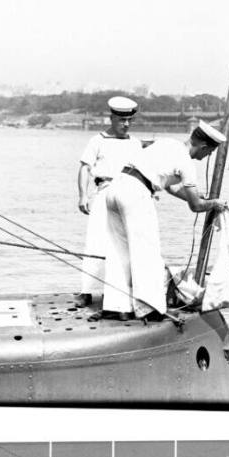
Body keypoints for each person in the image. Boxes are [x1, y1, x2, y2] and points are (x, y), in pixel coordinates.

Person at [99, 120, 228, 321]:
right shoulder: (186, 162)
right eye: (209, 152)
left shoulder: (167, 144)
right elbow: (195, 207)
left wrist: (200, 198)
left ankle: (116, 306)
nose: (208, 156)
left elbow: (170, 187)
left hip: (116, 188)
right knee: (146, 251)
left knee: (118, 250)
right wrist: (214, 204)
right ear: (203, 146)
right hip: (137, 193)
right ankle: (149, 309)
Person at [76, 96, 143, 307]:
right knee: (95, 240)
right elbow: (85, 168)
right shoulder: (97, 141)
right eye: (122, 120)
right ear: (112, 118)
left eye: (130, 121)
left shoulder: (135, 144)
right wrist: (83, 195)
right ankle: (86, 291)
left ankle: (113, 291)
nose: (126, 125)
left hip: (127, 194)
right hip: (104, 191)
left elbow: (142, 172)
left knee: (123, 244)